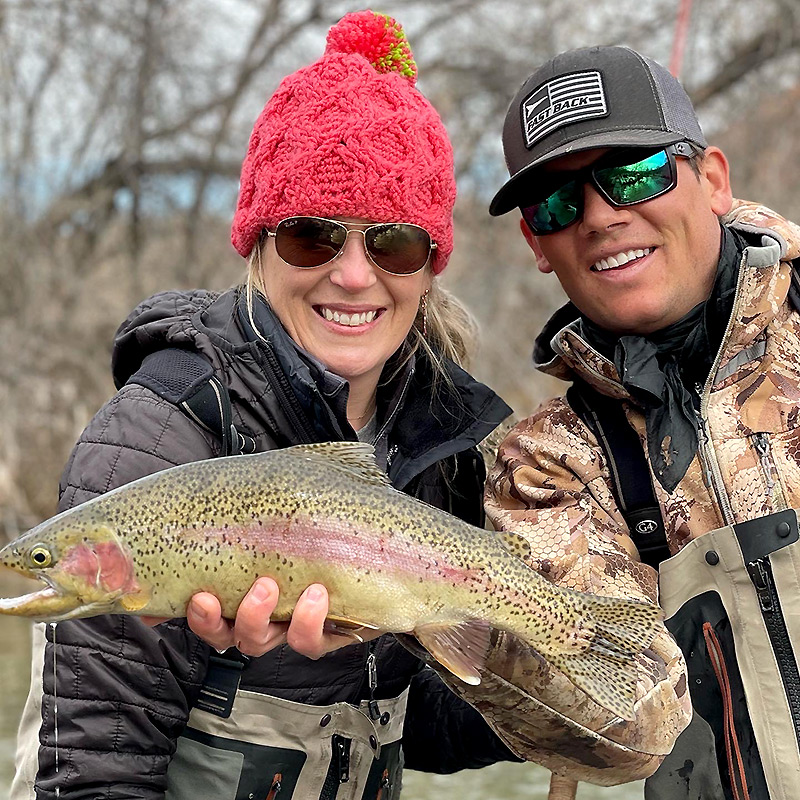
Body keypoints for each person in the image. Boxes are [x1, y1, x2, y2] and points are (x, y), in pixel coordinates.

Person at [11, 11, 517, 799]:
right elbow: (93, 772)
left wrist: (542, 655)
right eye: (313, 238)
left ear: (428, 268)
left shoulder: (434, 443)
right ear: (256, 246)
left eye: (393, 244)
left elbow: (431, 725)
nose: (354, 276)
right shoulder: (151, 444)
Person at [408, 46, 800, 800]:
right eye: (556, 203)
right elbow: (629, 728)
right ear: (536, 246)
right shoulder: (548, 467)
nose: (599, 215)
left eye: (634, 172)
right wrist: (402, 598)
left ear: (712, 179)